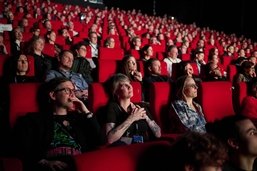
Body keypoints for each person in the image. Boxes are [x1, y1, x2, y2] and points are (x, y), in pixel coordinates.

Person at [13, 77, 103, 171]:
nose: (73, 95)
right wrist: (44, 162)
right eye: (67, 90)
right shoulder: (33, 120)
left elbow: (100, 141)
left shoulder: (79, 118)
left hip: (79, 165)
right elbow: (21, 148)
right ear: (53, 95)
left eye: (73, 90)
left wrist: (86, 111)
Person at [105, 73, 161, 145]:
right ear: (115, 92)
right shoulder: (113, 107)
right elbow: (110, 139)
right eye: (123, 85)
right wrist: (132, 118)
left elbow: (158, 134)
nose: (129, 86)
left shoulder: (140, 106)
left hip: (145, 146)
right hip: (125, 149)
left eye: (128, 83)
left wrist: (146, 118)